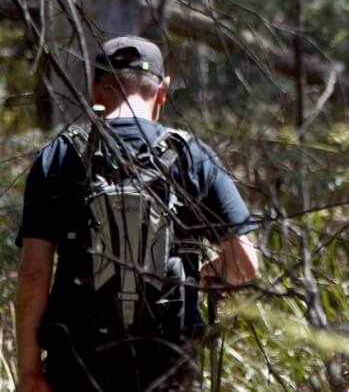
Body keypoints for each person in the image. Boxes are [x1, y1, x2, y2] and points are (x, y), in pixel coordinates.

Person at [15, 36, 260, 392]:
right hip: (168, 369)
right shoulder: (193, 156)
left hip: (77, 367)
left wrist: (29, 372)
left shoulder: (60, 155)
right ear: (162, 91)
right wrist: (204, 275)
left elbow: (33, 273)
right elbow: (244, 263)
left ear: (95, 89)